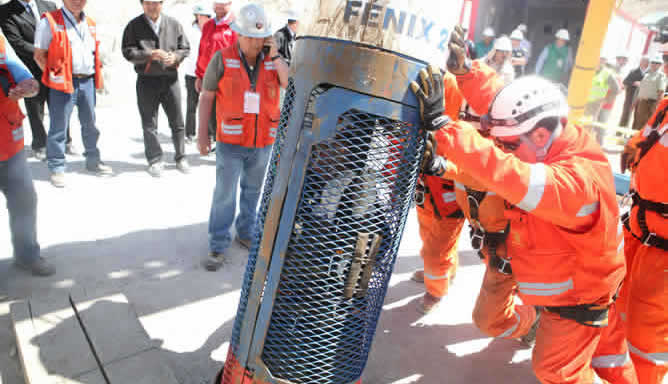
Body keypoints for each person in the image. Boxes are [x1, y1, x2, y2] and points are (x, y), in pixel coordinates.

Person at [413, 26, 637, 383]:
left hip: (577, 298)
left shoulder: (576, 182)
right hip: (546, 270)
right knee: (601, 356)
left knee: (556, 370)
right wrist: (467, 71)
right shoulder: (551, 136)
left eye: (510, 145)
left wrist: (445, 129)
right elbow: (507, 104)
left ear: (541, 136)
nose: (504, 148)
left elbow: (510, 175)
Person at [198, 3, 288, 271]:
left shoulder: (273, 61)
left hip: (262, 143)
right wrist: (202, 133)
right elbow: (206, 97)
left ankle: (246, 233)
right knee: (225, 194)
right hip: (231, 143)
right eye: (250, 37)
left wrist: (276, 56)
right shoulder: (222, 58)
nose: (255, 43)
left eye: (261, 38)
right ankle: (217, 244)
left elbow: (288, 83)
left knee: (253, 191)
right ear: (239, 34)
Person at [618, 48, 668, 384]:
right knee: (621, 310)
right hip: (640, 227)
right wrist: (633, 147)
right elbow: (649, 135)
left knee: (647, 336)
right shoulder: (666, 103)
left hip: (663, 247)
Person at [33, 0, 112, 188]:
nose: (77, 2)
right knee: (59, 126)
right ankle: (57, 167)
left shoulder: (89, 23)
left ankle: (93, 160)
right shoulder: (49, 22)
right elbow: (39, 54)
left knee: (90, 124)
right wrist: (54, 76)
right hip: (63, 83)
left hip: (87, 81)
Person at [411, 71, 466, 314]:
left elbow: (469, 167)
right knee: (428, 236)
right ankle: (444, 272)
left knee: (437, 250)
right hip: (427, 189)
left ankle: (435, 291)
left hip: (450, 194)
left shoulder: (461, 128)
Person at [0, 31, 55, 276]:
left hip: (8, 140)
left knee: (24, 199)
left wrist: (28, 87)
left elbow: (22, 75)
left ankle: (27, 255)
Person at [0, 0, 79, 160]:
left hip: (55, 68)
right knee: (35, 109)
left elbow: (61, 32)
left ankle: (65, 140)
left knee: (60, 106)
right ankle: (40, 143)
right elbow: (16, 43)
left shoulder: (49, 5)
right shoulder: (5, 11)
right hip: (29, 68)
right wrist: (45, 53)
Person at [122, 0, 191, 177]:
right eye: (148, 3)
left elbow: (185, 48)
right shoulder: (134, 25)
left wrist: (175, 56)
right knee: (149, 123)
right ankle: (155, 159)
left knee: (177, 122)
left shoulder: (174, 24)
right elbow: (128, 52)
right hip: (146, 81)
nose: (152, 6)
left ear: (162, 3)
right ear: (142, 4)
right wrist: (149, 55)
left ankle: (181, 157)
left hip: (170, 80)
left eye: (156, 2)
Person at [195, 0, 237, 144]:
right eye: (216, 2)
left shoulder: (236, 25)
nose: (219, 5)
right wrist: (199, 75)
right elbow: (202, 51)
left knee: (227, 117)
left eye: (223, 3)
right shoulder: (208, 25)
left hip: (228, 81)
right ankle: (217, 143)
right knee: (211, 116)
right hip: (208, 80)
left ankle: (226, 146)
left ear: (230, 3)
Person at [183, 4, 212, 144]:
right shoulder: (189, 31)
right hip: (191, 72)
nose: (207, 19)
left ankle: (211, 134)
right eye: (206, 16)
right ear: (198, 16)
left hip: (209, 73)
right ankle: (190, 133)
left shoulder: (211, 30)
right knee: (191, 103)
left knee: (210, 104)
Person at [632, 55, 666, 131]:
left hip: (652, 103)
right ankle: (634, 139)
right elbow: (642, 89)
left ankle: (642, 140)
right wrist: (636, 100)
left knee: (648, 122)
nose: (654, 64)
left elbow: (661, 91)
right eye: (653, 62)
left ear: (660, 65)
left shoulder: (661, 76)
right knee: (638, 121)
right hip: (642, 101)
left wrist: (657, 105)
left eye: (657, 63)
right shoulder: (646, 74)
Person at [585, 57, 620, 124]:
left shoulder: (607, 73)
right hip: (581, 102)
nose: (600, 61)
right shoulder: (587, 69)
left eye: (602, 60)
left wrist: (606, 100)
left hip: (594, 105)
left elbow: (616, 89)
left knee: (588, 125)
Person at [619, 56, 649, 127]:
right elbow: (625, 81)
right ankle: (620, 131)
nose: (644, 63)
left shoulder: (650, 73)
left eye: (646, 62)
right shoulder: (633, 71)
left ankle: (633, 134)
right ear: (640, 62)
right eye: (643, 61)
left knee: (638, 116)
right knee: (626, 113)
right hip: (630, 96)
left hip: (642, 97)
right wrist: (634, 83)